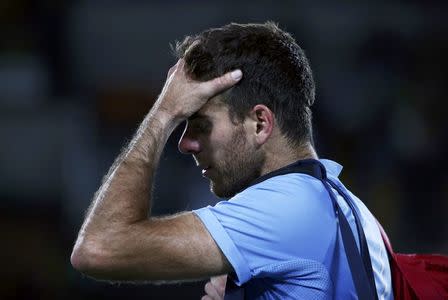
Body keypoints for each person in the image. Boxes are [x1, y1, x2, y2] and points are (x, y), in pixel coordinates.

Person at [71, 22, 393, 299]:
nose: (184, 144)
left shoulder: (283, 209)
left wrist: (164, 113)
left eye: (200, 125)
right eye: (183, 124)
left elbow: (99, 247)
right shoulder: (351, 208)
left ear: (260, 124)